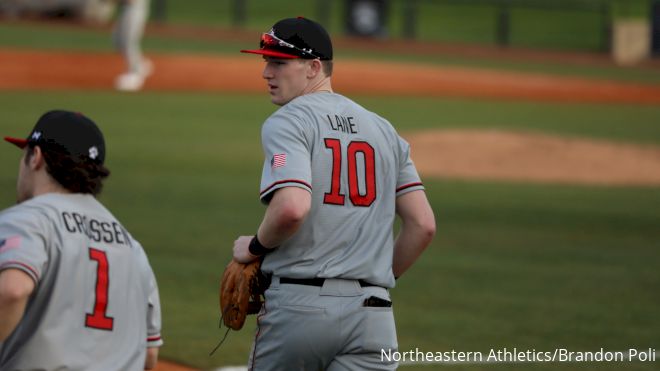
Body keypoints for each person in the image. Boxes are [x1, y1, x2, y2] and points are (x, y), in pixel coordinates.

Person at [235, 17, 436, 370]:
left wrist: (253, 248)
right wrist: (371, 279)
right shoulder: (384, 130)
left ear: (314, 67)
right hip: (374, 318)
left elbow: (291, 208)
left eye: (278, 62)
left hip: (300, 311)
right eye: (265, 61)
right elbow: (423, 225)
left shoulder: (290, 120)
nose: (266, 72)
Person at [0, 110, 163, 370]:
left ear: (36, 158)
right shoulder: (132, 247)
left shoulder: (27, 220)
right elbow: (149, 355)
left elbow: (12, 290)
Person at [113, 0, 152, 92]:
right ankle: (140, 64)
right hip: (127, 9)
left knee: (128, 42)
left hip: (135, 10)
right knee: (118, 40)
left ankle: (135, 75)